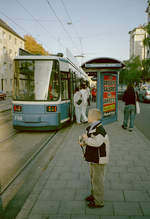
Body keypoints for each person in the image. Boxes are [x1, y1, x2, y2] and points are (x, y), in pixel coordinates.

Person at [79, 108, 109, 208]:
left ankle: (99, 202)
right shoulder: (92, 127)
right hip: (93, 158)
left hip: (99, 160)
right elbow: (89, 138)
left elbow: (96, 143)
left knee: (97, 180)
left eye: (88, 115)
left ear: (93, 118)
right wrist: (83, 141)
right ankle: (94, 195)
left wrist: (86, 139)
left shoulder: (100, 130)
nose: (87, 117)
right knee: (93, 178)